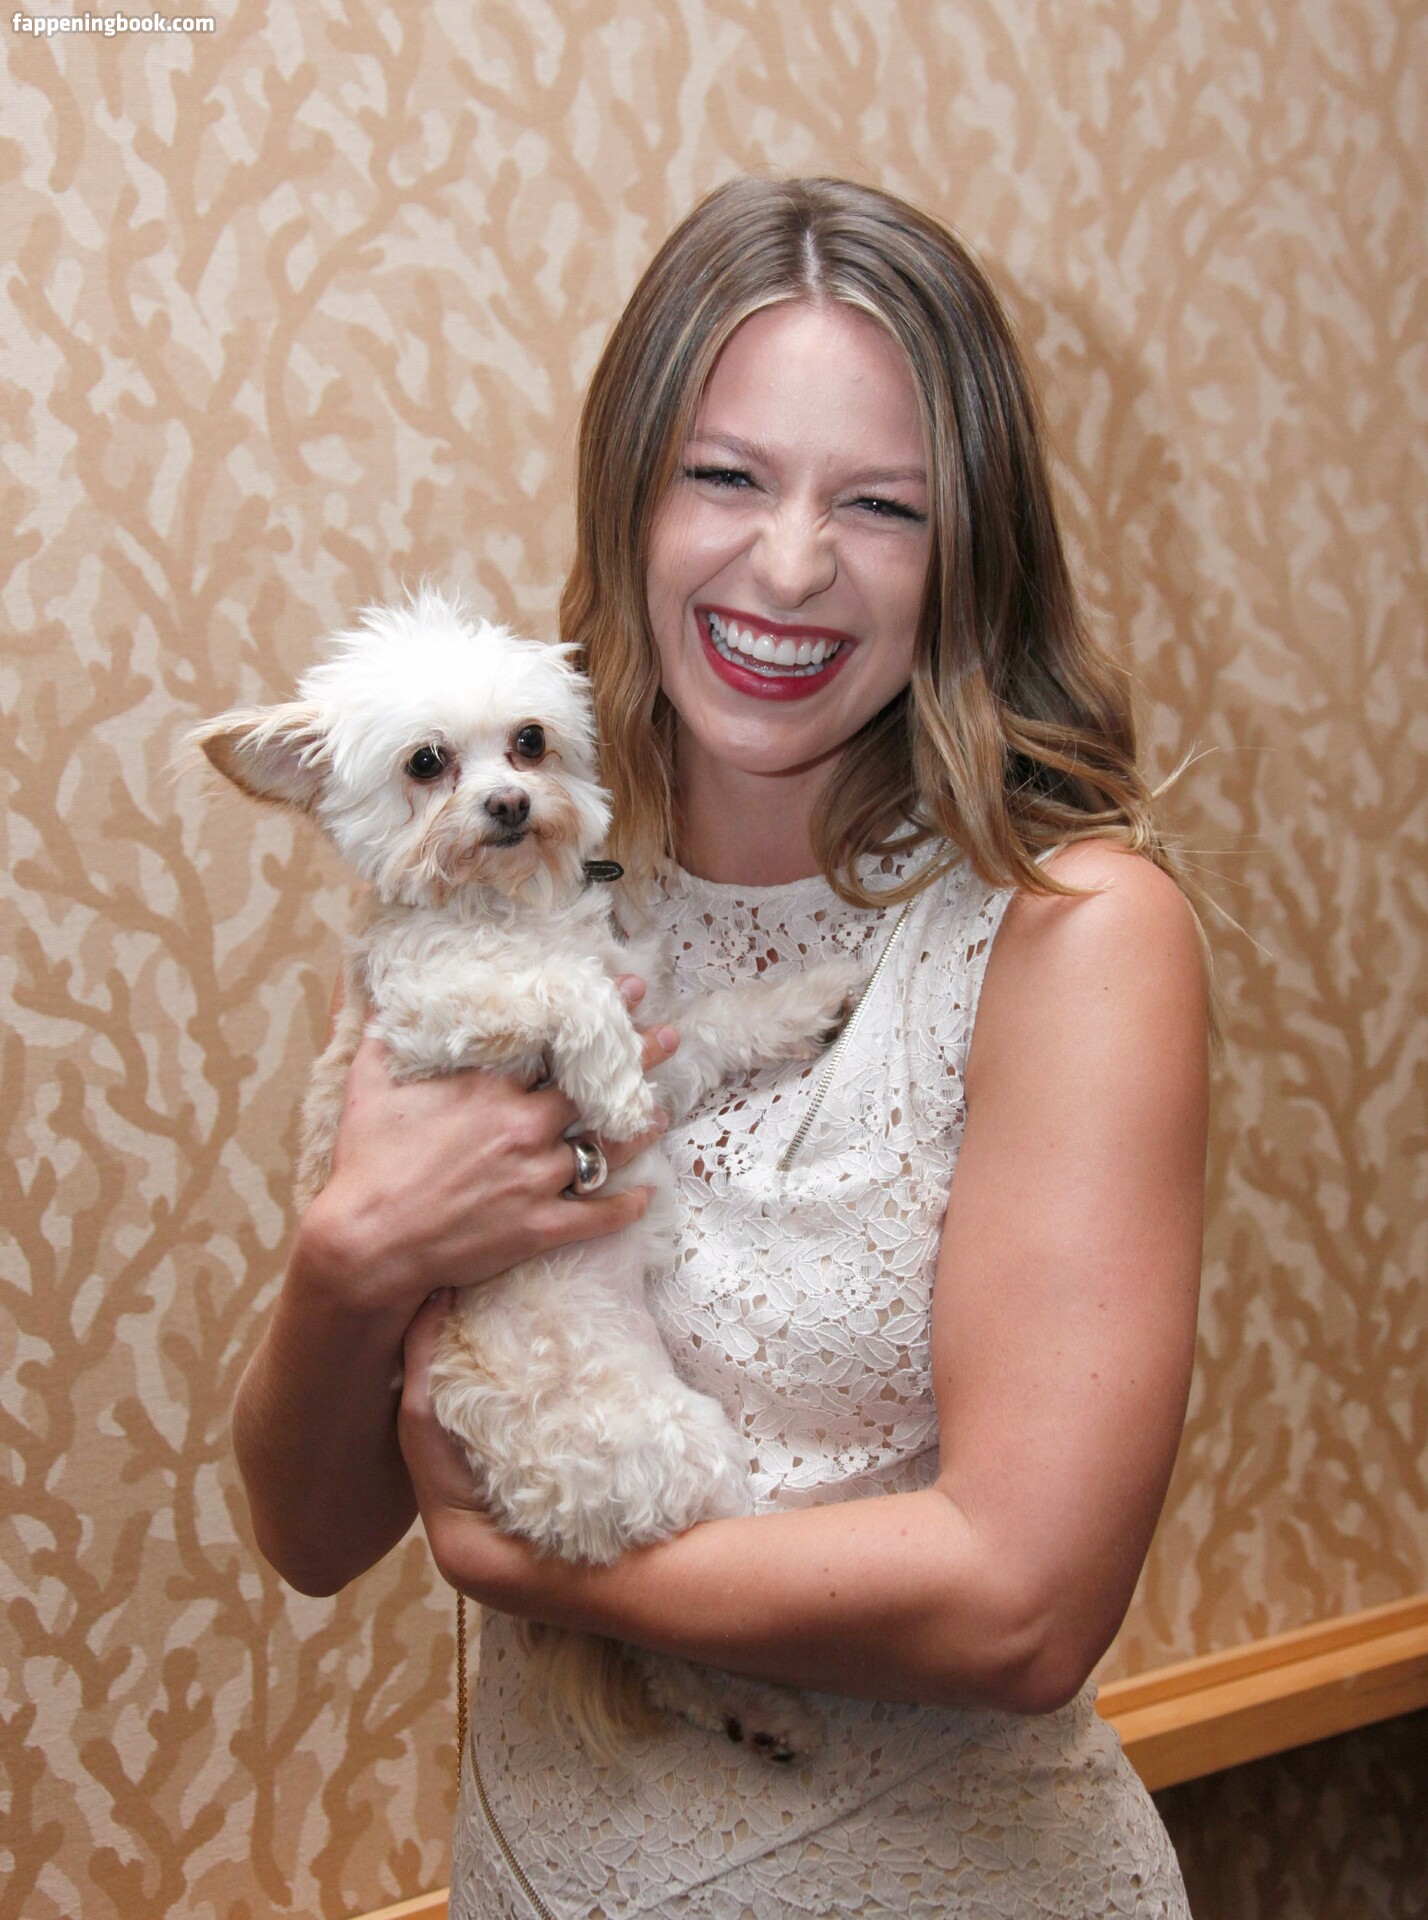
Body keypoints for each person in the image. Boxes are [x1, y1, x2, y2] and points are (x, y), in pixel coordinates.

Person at [234, 176, 1208, 1917]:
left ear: (970, 552)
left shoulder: (1070, 938)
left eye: (884, 504)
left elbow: (1024, 1611)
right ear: (632, 495)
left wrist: (527, 1563)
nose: (792, 564)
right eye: (729, 476)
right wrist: (350, 1256)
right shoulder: (503, 895)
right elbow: (311, 1539)